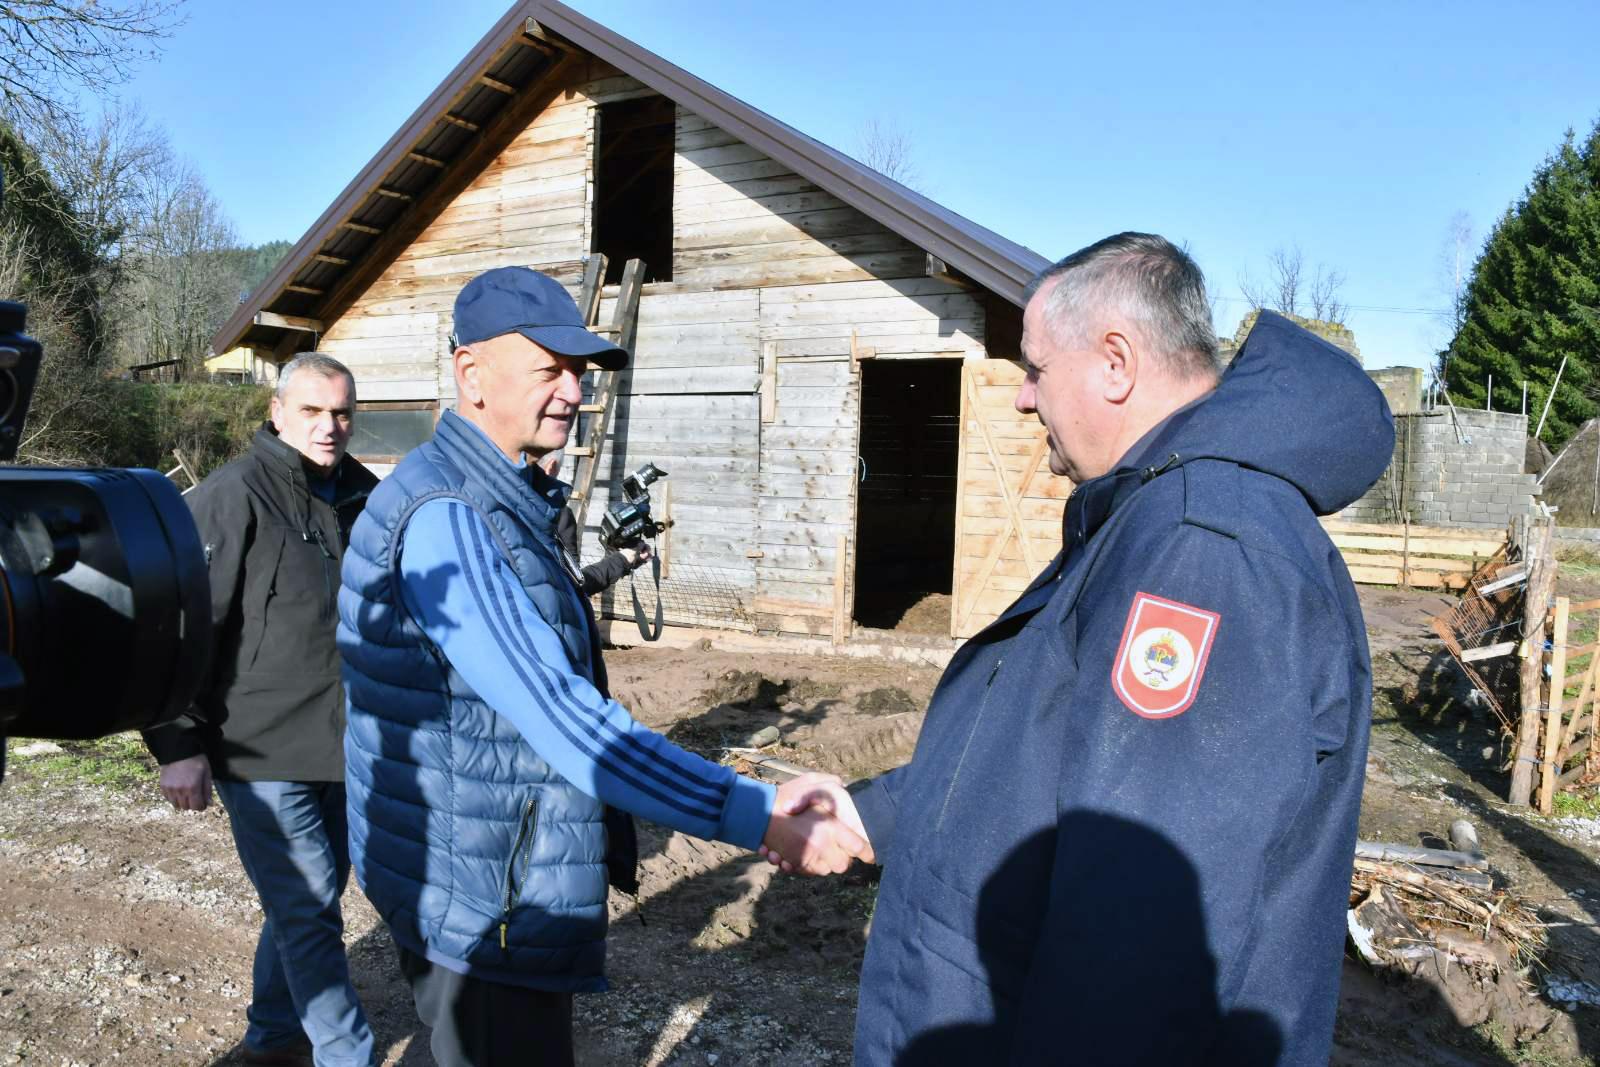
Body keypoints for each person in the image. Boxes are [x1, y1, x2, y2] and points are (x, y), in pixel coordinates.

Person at [782, 233, 1395, 1065]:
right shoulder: (1155, 512)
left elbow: (1139, 933)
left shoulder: (1203, 545)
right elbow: (1035, 747)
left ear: (1115, 362)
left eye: (1035, 368)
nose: (1024, 399)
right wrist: (871, 812)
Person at [336, 265, 864, 1067]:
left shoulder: (490, 492)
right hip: (489, 898)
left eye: (578, 371)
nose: (574, 391)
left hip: (475, 871)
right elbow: (566, 721)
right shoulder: (449, 514)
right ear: (470, 374)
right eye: (549, 368)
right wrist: (755, 812)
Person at [141, 353, 379, 1067]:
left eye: (340, 412)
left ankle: (275, 1036)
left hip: (346, 744)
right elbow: (176, 622)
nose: (329, 426)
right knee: (308, 909)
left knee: (309, 899)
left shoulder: (365, 497)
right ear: (277, 413)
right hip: (258, 748)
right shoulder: (233, 495)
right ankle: (348, 1056)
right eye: (311, 411)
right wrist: (176, 741)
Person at [535, 449, 651, 597]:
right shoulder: (559, 515)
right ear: (551, 466)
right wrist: (622, 559)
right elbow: (574, 586)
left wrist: (617, 556)